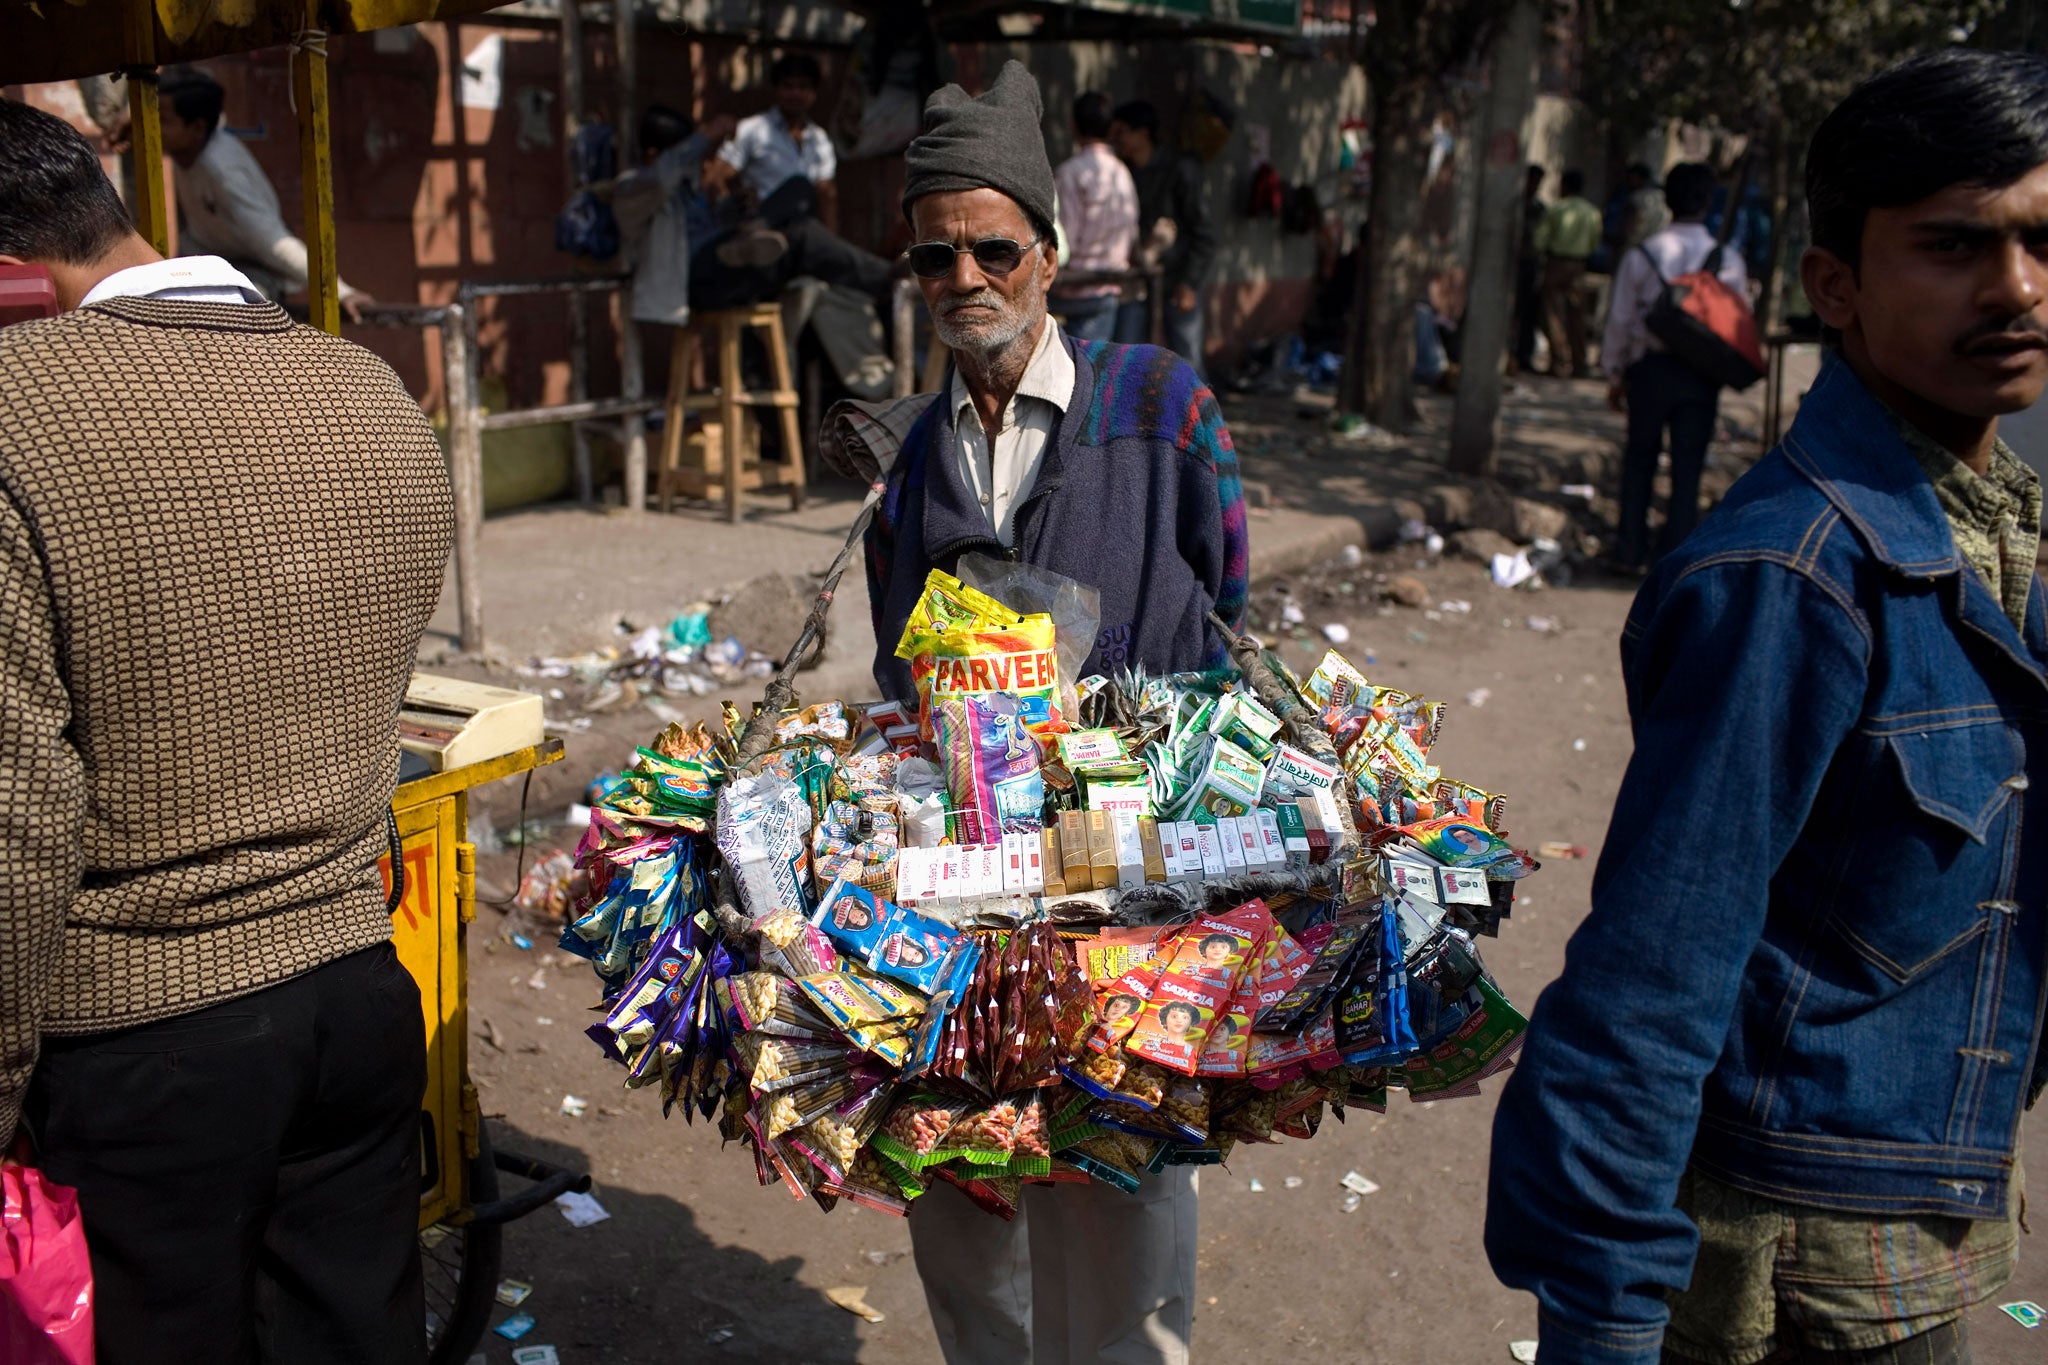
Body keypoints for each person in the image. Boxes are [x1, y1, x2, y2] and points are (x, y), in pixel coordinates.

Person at [1486, 49, 2048, 1365]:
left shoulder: (2003, 529)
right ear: (1836, 287)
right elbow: (1650, 983)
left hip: (1929, 1210)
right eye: (1955, 246)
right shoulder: (1793, 580)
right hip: (1804, 1273)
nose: (2015, 287)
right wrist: (1605, 1316)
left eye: (2039, 240)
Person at [0, 99, 451, 1363]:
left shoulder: (18, 412)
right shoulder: (364, 389)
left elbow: (15, 819)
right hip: (359, 998)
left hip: (142, 1043)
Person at [863, 60, 1247, 1365]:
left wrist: (1137, 770)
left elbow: (1226, 621)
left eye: (993, 251)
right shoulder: (915, 451)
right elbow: (893, 654)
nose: (964, 281)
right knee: (968, 1209)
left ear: (1049, 249)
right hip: (965, 894)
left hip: (1128, 889)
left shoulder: (1158, 406)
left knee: (1118, 1212)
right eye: (934, 259)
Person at [1601, 162, 1750, 569]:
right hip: (1701, 375)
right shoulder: (1728, 260)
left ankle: (1629, 549)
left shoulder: (1643, 255)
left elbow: (1620, 320)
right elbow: (1737, 322)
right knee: (1688, 466)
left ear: (1667, 200)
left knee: (1639, 461)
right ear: (1707, 202)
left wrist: (1614, 374)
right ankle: (1677, 558)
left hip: (1649, 370)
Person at [157, 65, 371, 321]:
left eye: (163, 121)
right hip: (205, 258)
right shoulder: (189, 149)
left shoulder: (223, 172)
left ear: (196, 128)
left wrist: (340, 291)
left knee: (234, 315)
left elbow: (274, 242)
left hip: (252, 271)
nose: (153, 128)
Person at [1108, 99, 1217, 373]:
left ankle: (1195, 416)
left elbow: (1204, 233)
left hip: (1176, 282)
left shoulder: (1179, 170)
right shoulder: (1121, 172)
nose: (1116, 139)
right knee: (1129, 359)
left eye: (1122, 131)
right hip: (1137, 283)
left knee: (1186, 361)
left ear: (1142, 133)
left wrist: (1189, 283)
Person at [705, 52, 841, 236]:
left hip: (800, 233)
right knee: (798, 186)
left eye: (803, 87)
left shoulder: (820, 140)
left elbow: (826, 197)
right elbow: (715, 178)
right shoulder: (752, 130)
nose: (795, 94)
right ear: (776, 90)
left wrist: (831, 242)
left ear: (813, 94)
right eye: (788, 86)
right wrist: (734, 205)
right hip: (760, 230)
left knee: (801, 190)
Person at [1050, 91, 1138, 343]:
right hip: (1110, 289)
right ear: (1111, 128)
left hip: (1075, 293)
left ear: (1073, 126)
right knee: (1095, 368)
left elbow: (1065, 243)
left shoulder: (1071, 173)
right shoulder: (1122, 172)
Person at [1533, 168, 1601, 377]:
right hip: (1579, 265)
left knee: (1554, 314)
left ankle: (1560, 362)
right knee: (1577, 314)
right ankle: (1580, 364)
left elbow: (1539, 241)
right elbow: (1594, 244)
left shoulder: (1556, 210)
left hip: (1557, 263)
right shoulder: (1592, 213)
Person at [1513, 163, 1547, 372]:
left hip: (1529, 264)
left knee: (1528, 312)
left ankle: (1523, 356)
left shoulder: (1538, 208)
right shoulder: (1514, 206)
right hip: (1511, 264)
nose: (1534, 186)